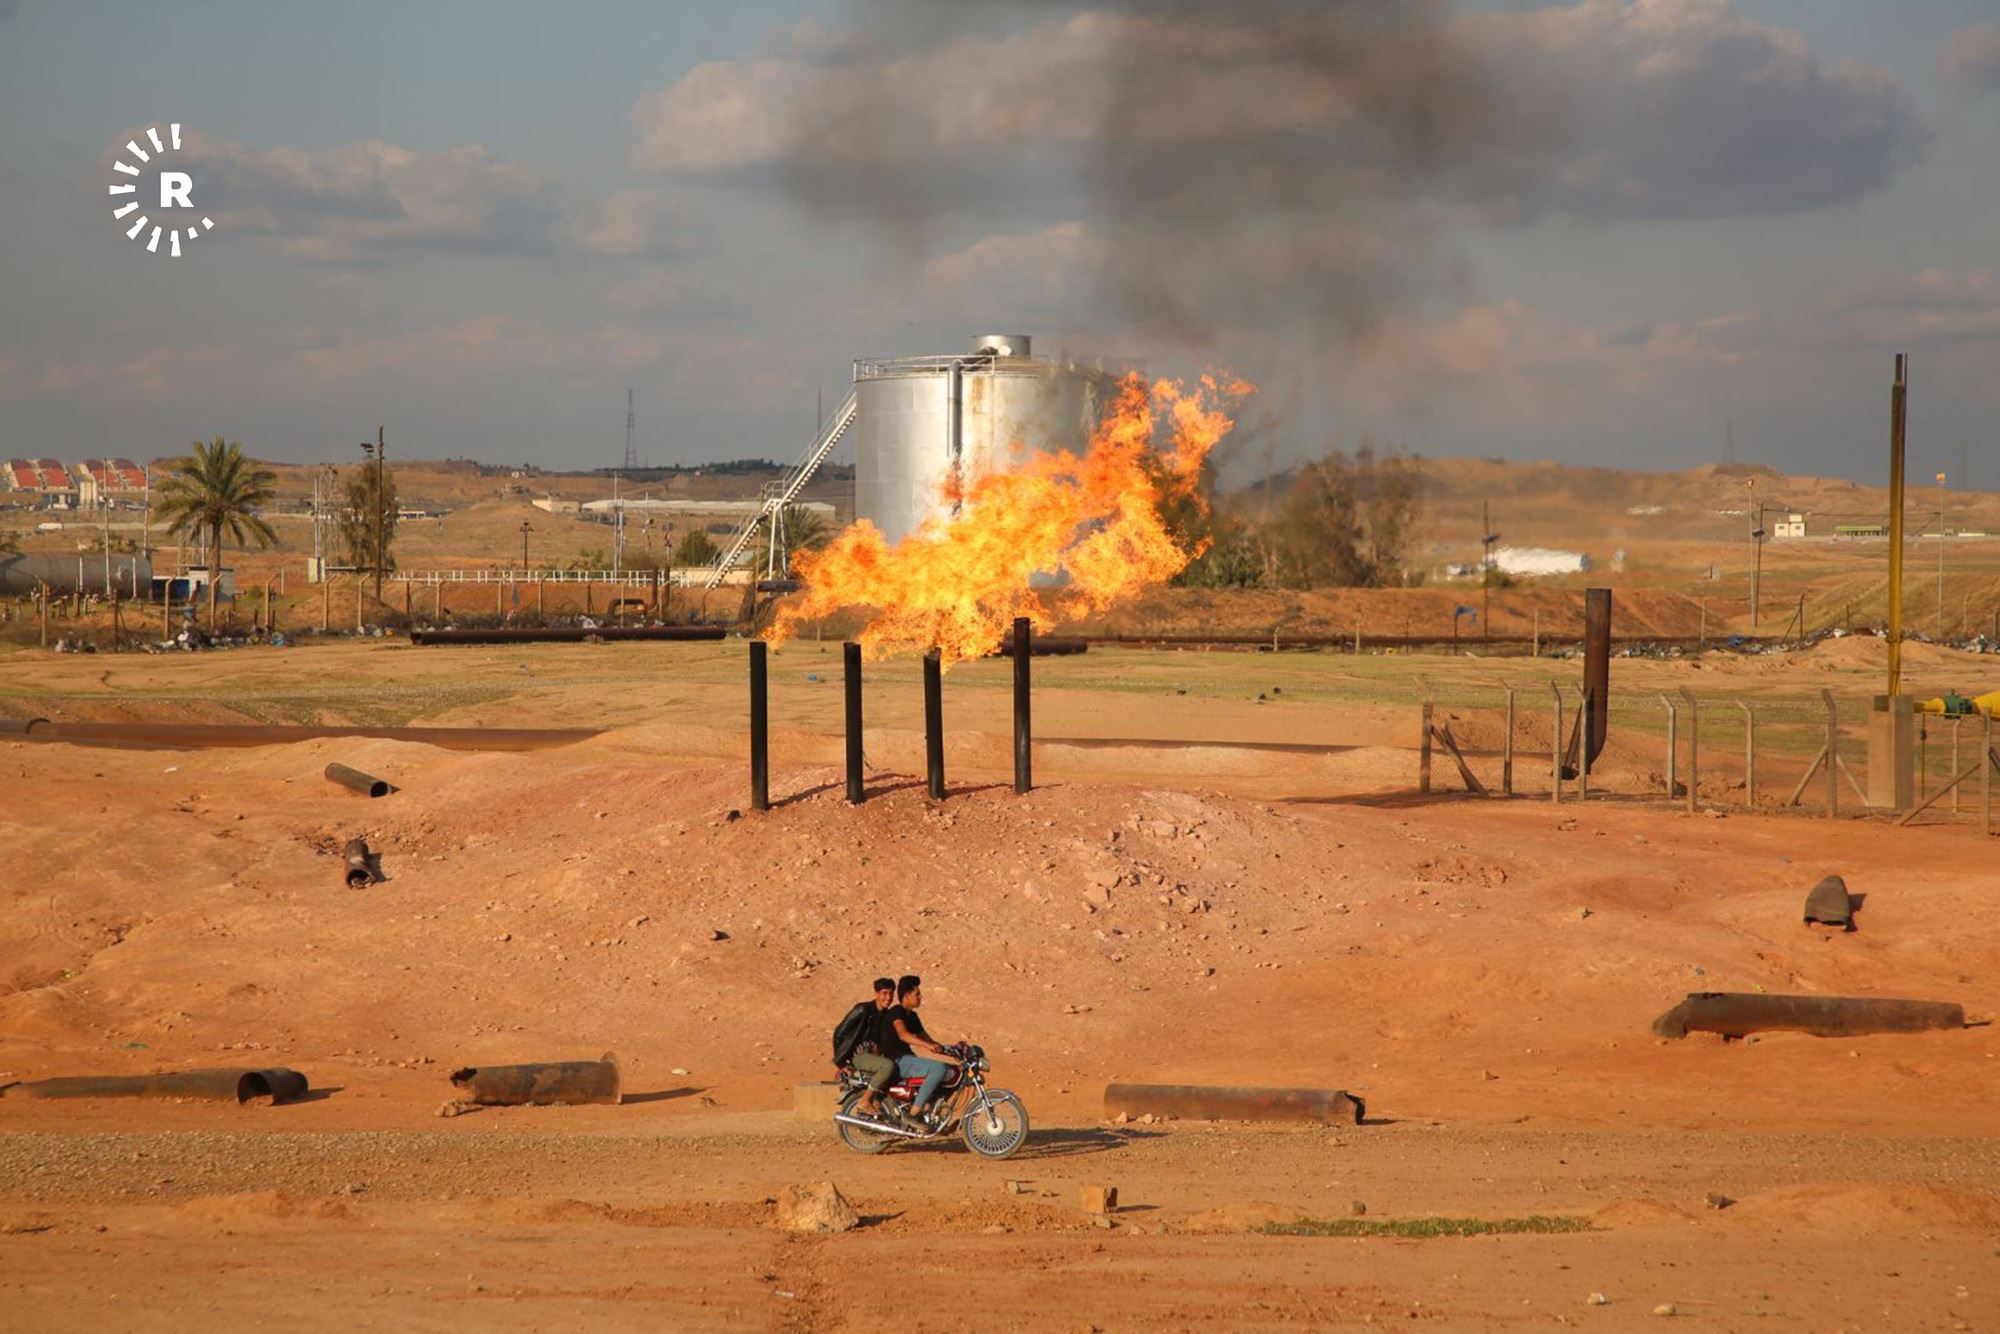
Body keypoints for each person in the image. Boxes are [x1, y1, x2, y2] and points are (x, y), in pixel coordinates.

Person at [878, 975, 958, 1125]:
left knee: (949, 1071)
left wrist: (950, 1050)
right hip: (897, 1061)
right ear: (907, 996)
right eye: (917, 994)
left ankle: (931, 1116)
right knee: (938, 1069)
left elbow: (929, 1040)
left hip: (907, 1059)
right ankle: (913, 1114)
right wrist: (928, 1046)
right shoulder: (897, 1012)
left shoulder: (912, 1016)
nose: (920, 997)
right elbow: (903, 1035)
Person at [832, 977, 898, 1119]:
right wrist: (841, 1063)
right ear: (876, 994)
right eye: (884, 993)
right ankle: (864, 1101)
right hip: (857, 1056)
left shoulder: (885, 1015)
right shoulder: (862, 1009)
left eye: (891, 994)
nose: (888, 998)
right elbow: (839, 1032)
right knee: (887, 1066)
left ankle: (880, 1105)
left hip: (872, 1055)